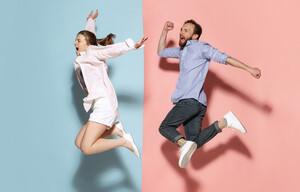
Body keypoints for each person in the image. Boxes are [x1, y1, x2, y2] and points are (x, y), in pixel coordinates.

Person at [158, 20, 261, 168]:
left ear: (195, 36)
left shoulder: (201, 47)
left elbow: (224, 58)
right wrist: (164, 31)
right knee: (195, 142)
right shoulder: (181, 51)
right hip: (198, 104)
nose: (181, 32)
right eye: (181, 29)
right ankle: (225, 122)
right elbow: (161, 52)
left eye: (186, 30)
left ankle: (183, 144)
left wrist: (249, 69)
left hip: (189, 102)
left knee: (165, 127)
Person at [74, 10, 147, 157]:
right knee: (79, 143)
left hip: (105, 105)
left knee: (87, 148)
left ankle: (124, 141)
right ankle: (115, 130)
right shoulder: (83, 56)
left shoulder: (91, 52)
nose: (75, 42)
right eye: (75, 40)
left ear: (87, 44)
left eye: (78, 40)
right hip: (98, 104)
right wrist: (90, 20)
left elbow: (110, 50)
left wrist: (132, 46)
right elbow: (89, 34)